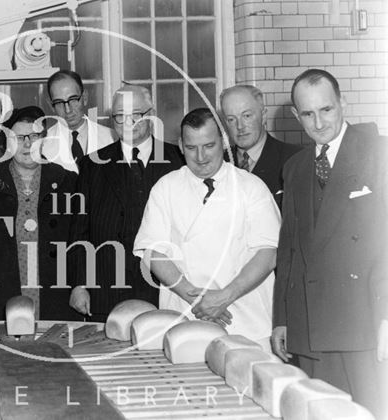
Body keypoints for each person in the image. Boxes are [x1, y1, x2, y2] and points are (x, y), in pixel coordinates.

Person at [272, 69, 387, 418]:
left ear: (343, 104)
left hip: (364, 322)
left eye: (327, 110)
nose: (319, 123)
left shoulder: (379, 152)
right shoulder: (295, 167)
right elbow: (289, 245)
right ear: (296, 115)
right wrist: (282, 318)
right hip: (309, 324)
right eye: (308, 114)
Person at [133, 108, 280, 349]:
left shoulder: (251, 187)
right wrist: (197, 298)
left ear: (223, 141)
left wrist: (224, 297)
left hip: (246, 321)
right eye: (191, 148)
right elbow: (153, 252)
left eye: (209, 146)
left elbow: (269, 252)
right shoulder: (166, 187)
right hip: (185, 317)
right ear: (180, 145)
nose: (200, 157)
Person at [68, 85, 183, 322]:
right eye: (120, 116)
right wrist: (79, 285)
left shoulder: (178, 161)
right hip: (106, 291)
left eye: (135, 115)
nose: (127, 122)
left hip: (166, 289)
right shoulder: (92, 165)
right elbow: (80, 230)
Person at [0, 106, 78, 321]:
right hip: (6, 293)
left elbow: (79, 242)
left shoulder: (69, 182)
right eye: (19, 138)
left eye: (34, 136)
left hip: (57, 294)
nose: (28, 144)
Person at [220, 84, 301, 207]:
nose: (240, 126)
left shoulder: (295, 159)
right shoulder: (219, 163)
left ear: (263, 116)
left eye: (247, 116)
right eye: (231, 119)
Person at [43, 70, 115, 173]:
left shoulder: (111, 138)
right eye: (59, 102)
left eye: (73, 99)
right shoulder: (43, 145)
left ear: (84, 97)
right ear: (51, 106)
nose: (68, 110)